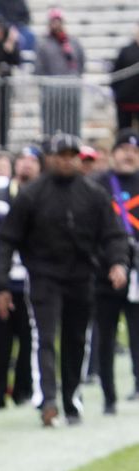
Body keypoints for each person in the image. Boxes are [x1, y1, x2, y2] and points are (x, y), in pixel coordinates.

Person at [0, 132, 128, 426]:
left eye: (71, 156)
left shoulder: (93, 194)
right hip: (44, 276)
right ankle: (48, 399)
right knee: (45, 336)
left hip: (81, 275)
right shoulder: (32, 195)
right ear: (50, 158)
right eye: (60, 156)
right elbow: (8, 240)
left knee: (77, 339)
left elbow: (113, 234)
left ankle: (71, 397)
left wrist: (119, 262)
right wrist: (0, 284)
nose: (66, 161)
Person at [0, 146, 39, 410]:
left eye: (32, 160)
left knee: (29, 340)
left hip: (32, 278)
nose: (26, 165)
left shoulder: (43, 195)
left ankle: (24, 390)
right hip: (0, 277)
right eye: (22, 160)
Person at [90, 130, 139, 414]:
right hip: (104, 270)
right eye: (123, 149)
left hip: (137, 271)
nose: (129, 155)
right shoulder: (98, 185)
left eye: (133, 151)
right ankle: (109, 395)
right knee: (105, 334)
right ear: (113, 153)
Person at [35, 10, 86, 138]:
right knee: (51, 126)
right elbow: (39, 68)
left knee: (72, 124)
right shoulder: (43, 44)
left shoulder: (73, 42)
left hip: (71, 92)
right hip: (51, 94)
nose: (56, 25)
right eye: (53, 22)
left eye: (58, 21)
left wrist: (73, 80)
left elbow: (81, 62)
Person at [113, 28, 139, 132]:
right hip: (125, 101)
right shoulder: (126, 51)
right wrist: (119, 93)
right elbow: (115, 74)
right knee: (124, 132)